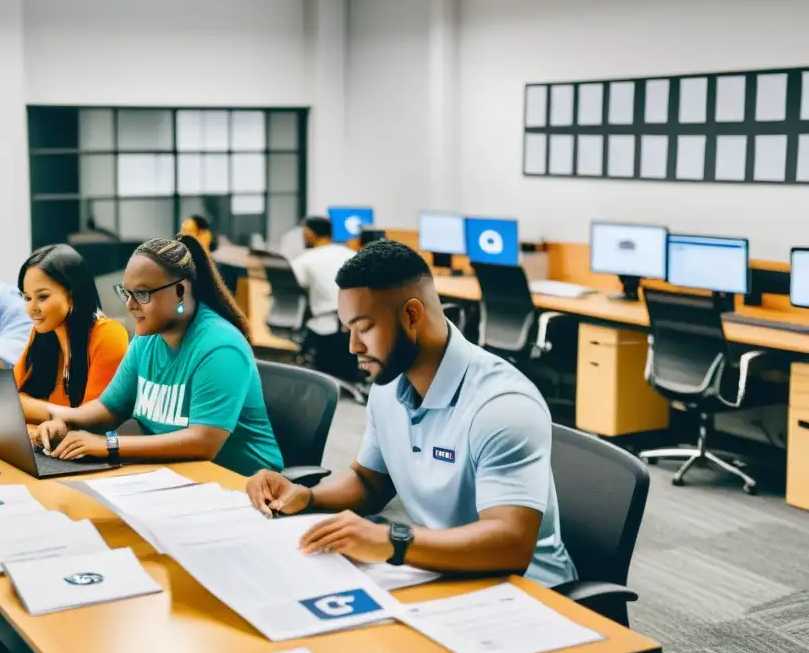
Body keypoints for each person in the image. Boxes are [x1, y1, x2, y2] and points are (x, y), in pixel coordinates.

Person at [245, 240, 577, 587]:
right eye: (349, 330)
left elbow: (510, 546)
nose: (353, 347)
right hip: (439, 571)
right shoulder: (389, 385)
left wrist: (394, 541)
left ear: (412, 315)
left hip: (527, 591)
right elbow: (368, 482)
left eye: (365, 328)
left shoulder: (502, 405)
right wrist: (307, 496)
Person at [32, 235, 283, 477]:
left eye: (141, 294)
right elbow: (108, 410)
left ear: (180, 291)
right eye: (126, 293)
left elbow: (204, 442)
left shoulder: (221, 347)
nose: (130, 305)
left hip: (243, 485)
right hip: (174, 477)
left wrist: (108, 444)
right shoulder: (147, 339)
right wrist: (64, 421)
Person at [15, 244, 129, 424]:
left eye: (42, 297)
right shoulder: (40, 333)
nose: (31, 309)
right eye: (27, 298)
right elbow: (10, 399)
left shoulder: (108, 335)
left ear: (73, 294)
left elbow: (93, 419)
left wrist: (28, 408)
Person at [291, 216, 358, 382]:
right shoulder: (353, 254)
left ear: (309, 234)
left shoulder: (304, 260)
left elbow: (294, 288)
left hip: (325, 331)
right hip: (357, 326)